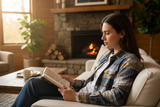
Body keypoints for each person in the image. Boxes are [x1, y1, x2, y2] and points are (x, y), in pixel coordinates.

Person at [12, 13, 143, 107]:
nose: (102, 38)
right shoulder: (108, 54)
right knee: (34, 82)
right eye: (102, 33)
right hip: (80, 91)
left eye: (107, 33)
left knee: (34, 91)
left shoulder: (129, 61)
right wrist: (73, 82)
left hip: (84, 98)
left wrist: (76, 97)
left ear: (122, 33)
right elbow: (92, 81)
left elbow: (117, 96)